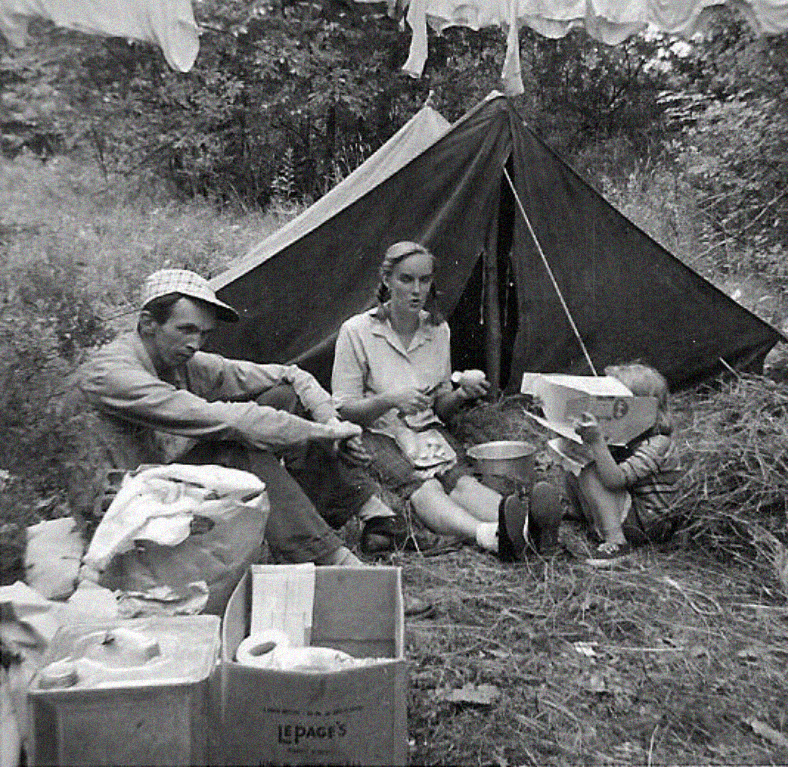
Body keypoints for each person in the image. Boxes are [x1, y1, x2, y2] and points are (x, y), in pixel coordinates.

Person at [78, 268, 402, 567]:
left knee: (283, 397)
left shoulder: (182, 360)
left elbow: (290, 375)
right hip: (116, 506)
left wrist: (332, 422)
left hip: (161, 482)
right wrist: (318, 432)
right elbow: (228, 421)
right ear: (148, 323)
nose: (195, 343)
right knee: (234, 448)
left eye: (204, 334)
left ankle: (362, 509)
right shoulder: (113, 371)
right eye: (186, 330)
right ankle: (332, 562)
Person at [331, 241, 562, 561]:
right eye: (406, 279)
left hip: (426, 431)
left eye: (424, 281)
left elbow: (439, 405)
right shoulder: (356, 331)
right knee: (424, 487)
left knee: (461, 482)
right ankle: (492, 537)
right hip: (378, 433)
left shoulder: (437, 330)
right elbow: (343, 408)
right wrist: (389, 400)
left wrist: (460, 395)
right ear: (387, 281)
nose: (416, 290)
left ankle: (524, 529)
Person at [566, 362, 683, 567]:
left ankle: (617, 543)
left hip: (650, 523)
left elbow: (615, 481)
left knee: (591, 472)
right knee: (576, 463)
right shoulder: (629, 435)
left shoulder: (658, 444)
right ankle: (579, 514)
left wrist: (596, 442)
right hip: (634, 512)